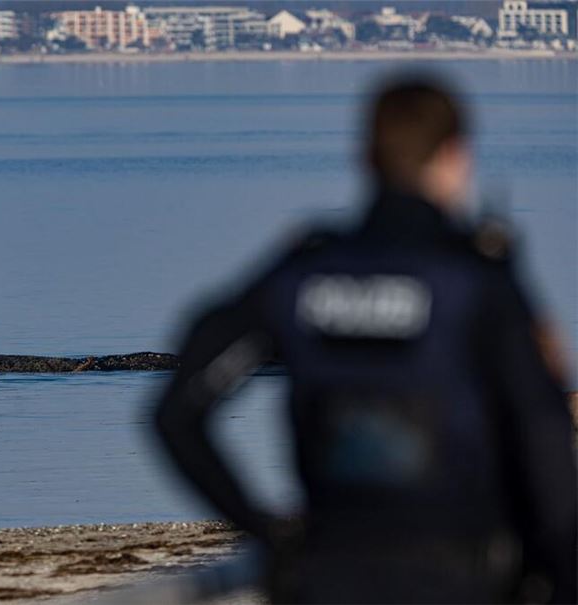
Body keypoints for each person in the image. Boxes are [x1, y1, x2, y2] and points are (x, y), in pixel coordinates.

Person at [153, 75, 577, 604]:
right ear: (455, 157)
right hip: (459, 574)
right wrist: (561, 574)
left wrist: (268, 534)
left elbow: (176, 414)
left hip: (329, 570)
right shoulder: (473, 281)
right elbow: (543, 440)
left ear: (367, 158)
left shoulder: (303, 275)